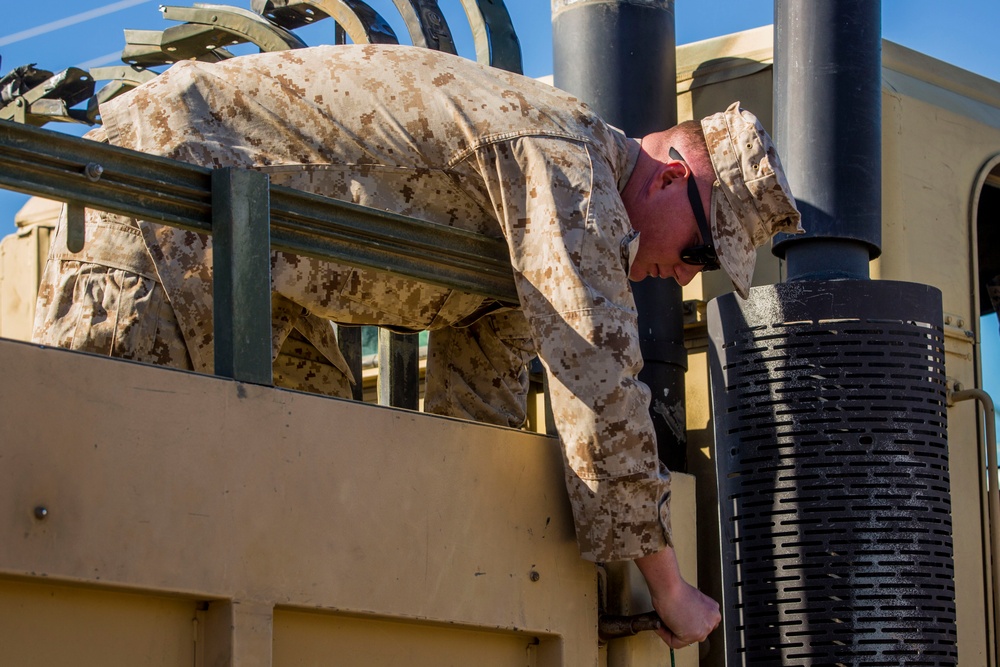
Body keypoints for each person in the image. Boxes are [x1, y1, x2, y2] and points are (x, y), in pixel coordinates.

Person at [32, 44, 801, 648]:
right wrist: (669, 585)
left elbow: (475, 414)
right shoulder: (566, 162)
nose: (684, 277)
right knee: (98, 517)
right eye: (700, 251)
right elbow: (600, 376)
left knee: (334, 477)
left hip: (254, 253)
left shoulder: (533, 226)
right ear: (670, 179)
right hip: (163, 192)